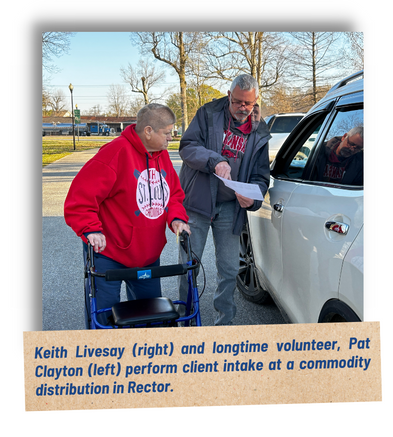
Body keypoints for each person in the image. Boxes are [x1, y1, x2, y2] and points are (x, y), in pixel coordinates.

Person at [64, 103, 190, 327]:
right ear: (149, 131)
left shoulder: (162, 156)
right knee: (103, 317)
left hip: (148, 254)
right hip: (110, 253)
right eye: (168, 133)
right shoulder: (115, 153)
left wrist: (177, 217)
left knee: (150, 316)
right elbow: (80, 199)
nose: (172, 138)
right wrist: (91, 228)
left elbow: (173, 196)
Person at [178, 74, 271, 325]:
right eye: (238, 101)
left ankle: (225, 323)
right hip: (197, 204)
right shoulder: (207, 113)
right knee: (189, 266)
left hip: (231, 208)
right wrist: (214, 160)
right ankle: (186, 319)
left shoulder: (260, 131)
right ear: (229, 95)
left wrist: (252, 200)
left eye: (248, 104)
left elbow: (262, 177)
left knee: (230, 269)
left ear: (255, 101)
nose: (243, 108)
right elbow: (187, 147)